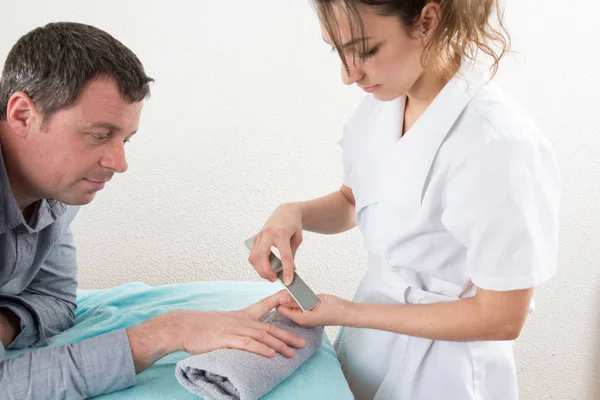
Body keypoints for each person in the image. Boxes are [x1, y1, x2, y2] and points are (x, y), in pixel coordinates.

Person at [247, 1, 560, 399]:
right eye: (337, 51)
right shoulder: (385, 102)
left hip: (447, 372)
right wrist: (294, 212)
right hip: (367, 348)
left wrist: (347, 313)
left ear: (426, 21)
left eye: (366, 51)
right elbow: (354, 201)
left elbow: (500, 318)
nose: (347, 75)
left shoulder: (499, 144)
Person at [0, 22, 305, 399]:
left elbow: (58, 300)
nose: (119, 162)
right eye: (99, 136)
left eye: (125, 139)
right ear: (22, 114)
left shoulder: (56, 189)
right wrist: (167, 332)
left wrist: (6, 324)